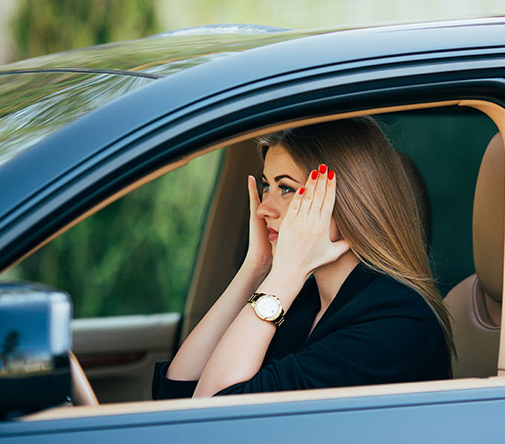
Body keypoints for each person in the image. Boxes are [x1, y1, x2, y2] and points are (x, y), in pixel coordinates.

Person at [152, 116, 453, 399]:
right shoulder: (304, 300)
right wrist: (257, 267)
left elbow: (213, 417)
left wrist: (284, 276)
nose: (262, 209)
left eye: (285, 188)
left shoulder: (395, 322)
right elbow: (175, 393)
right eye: (266, 186)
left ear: (345, 202)